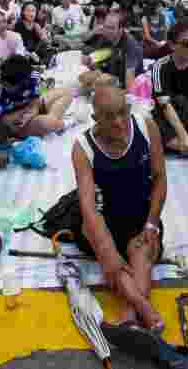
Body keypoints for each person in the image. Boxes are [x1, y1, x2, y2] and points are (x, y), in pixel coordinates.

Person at [73, 86, 166, 331]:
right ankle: (141, 306)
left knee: (142, 250)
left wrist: (152, 222)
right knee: (106, 253)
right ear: (95, 119)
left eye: (122, 113)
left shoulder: (147, 127)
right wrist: (107, 250)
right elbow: (89, 208)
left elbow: (160, 179)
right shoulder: (83, 147)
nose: (118, 122)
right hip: (104, 220)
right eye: (109, 116)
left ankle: (129, 314)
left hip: (140, 216)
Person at [150, 20, 188, 154]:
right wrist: (184, 137)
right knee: (152, 119)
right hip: (169, 119)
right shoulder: (160, 66)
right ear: (172, 45)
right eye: (185, 44)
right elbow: (165, 106)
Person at [0, 55, 76, 140]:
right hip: (17, 122)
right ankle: (61, 123)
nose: (4, 86)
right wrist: (22, 116)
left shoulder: (32, 76)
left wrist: (32, 112)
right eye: (4, 84)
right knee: (46, 123)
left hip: (30, 110)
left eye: (9, 86)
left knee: (67, 93)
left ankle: (53, 122)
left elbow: (36, 101)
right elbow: (2, 122)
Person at [80, 11, 144, 91]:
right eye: (106, 27)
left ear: (121, 29)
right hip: (112, 76)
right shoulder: (104, 38)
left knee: (97, 85)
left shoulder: (130, 45)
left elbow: (130, 85)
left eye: (111, 28)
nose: (107, 31)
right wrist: (89, 63)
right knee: (84, 78)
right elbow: (97, 66)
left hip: (126, 84)